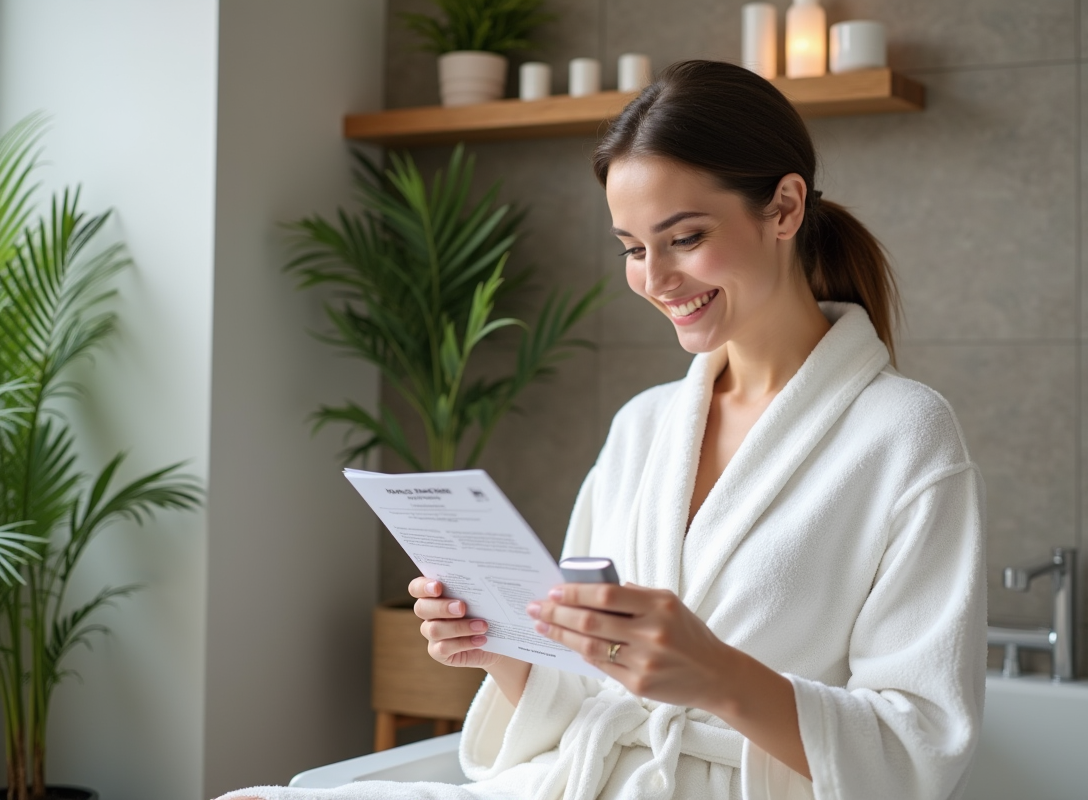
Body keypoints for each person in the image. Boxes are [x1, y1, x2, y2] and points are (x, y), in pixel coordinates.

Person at [221, 59, 986, 800]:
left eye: (685, 238)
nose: (655, 279)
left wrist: (717, 676)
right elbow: (585, 678)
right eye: (632, 249)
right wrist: (501, 651)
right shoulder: (644, 426)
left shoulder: (904, 434)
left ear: (784, 208)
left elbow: (920, 745)